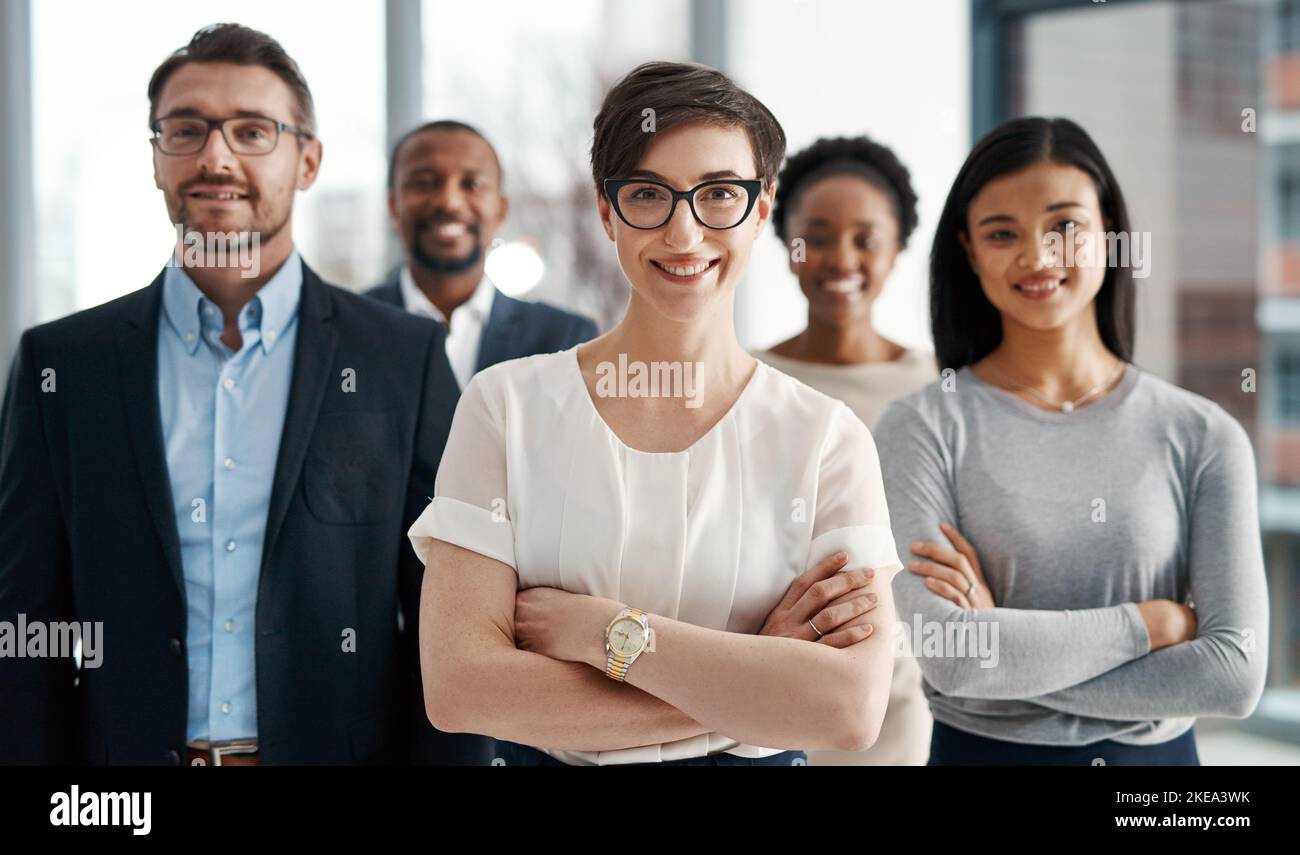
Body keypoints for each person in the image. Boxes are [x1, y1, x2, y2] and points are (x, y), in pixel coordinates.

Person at [408, 61, 903, 766]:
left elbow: (849, 709)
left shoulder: (826, 440)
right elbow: (461, 690)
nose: (683, 231)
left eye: (719, 195)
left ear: (761, 211)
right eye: (648, 194)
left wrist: (605, 631)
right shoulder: (504, 407)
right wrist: (758, 675)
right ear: (607, 211)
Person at [0, 23, 461, 765]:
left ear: (307, 160)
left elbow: (453, 628)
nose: (216, 156)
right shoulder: (62, 365)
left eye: (252, 130)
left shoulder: (402, 359)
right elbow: (26, 628)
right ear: (156, 159)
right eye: (186, 129)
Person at [873, 116, 1269, 765]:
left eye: (1065, 225)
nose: (1037, 256)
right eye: (1003, 233)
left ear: (1109, 233)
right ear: (970, 251)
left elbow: (1232, 675)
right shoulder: (919, 426)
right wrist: (1153, 624)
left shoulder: (1203, 435)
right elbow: (952, 658)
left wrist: (1007, 653)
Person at [755, 135, 934, 765]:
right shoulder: (742, 380)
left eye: (866, 237)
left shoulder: (940, 386)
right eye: (819, 235)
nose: (841, 258)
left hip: (898, 694)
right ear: (786, 244)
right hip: (762, 678)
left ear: (899, 248)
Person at [367, 120, 597, 388]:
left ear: (501, 210)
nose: (449, 202)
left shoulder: (565, 341)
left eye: (472, 184)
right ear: (394, 207)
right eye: (424, 183)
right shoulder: (345, 330)